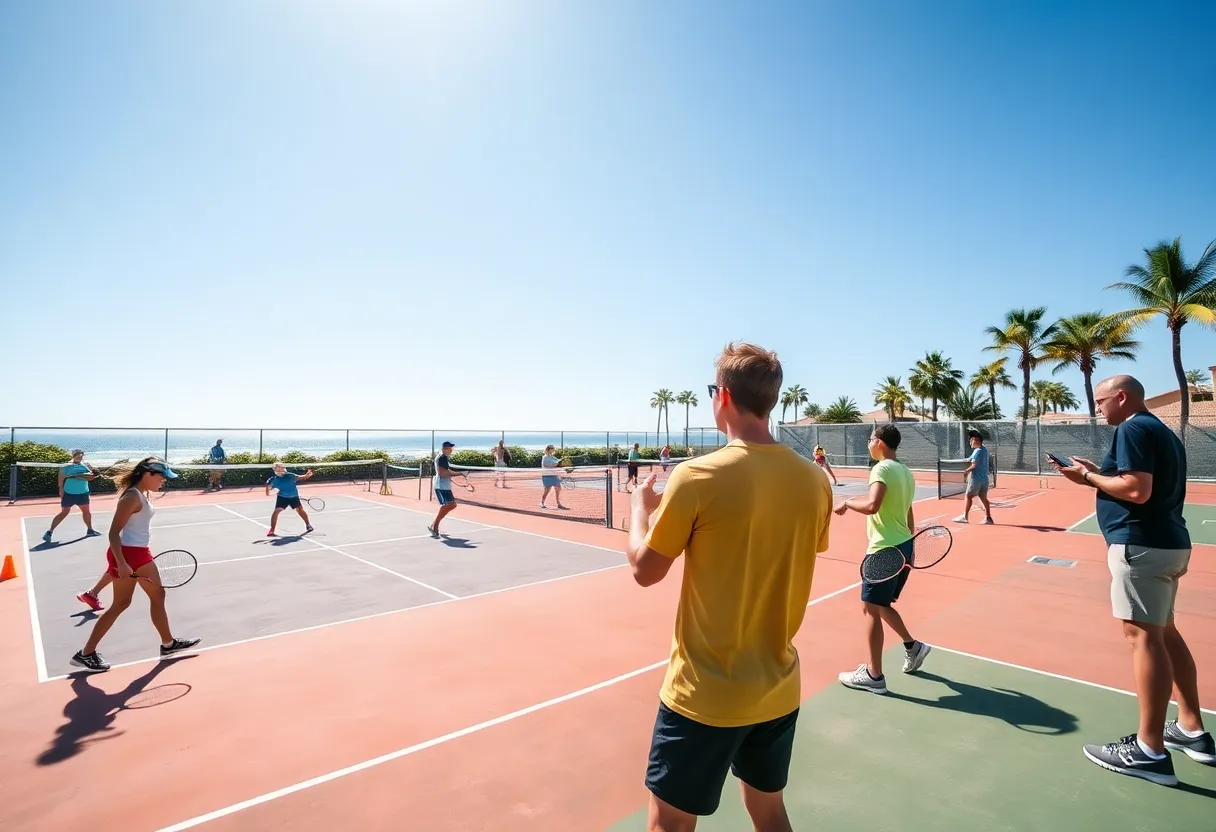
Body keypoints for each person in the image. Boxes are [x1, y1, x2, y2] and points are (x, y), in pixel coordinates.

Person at [624, 342, 832, 831]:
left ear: (721, 397)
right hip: (777, 690)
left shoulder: (696, 476)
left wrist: (639, 508)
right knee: (769, 810)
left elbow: (644, 570)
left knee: (669, 824)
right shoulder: (815, 481)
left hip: (704, 695)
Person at [1050, 375, 1212, 785]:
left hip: (1140, 546)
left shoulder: (1133, 426)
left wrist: (1086, 478)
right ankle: (1192, 729)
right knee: (1165, 633)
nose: (1098, 408)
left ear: (1122, 397)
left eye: (1101, 400)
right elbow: (1136, 482)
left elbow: (1137, 490)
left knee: (1144, 639)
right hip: (1168, 544)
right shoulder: (1161, 431)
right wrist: (1093, 472)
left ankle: (1149, 750)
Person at [70, 457, 200, 673]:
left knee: (139, 600)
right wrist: (121, 562)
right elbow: (113, 533)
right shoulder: (132, 497)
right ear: (147, 474)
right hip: (130, 554)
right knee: (132, 602)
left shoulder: (141, 494)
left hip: (137, 552)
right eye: (162, 476)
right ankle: (86, 653)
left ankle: (167, 644)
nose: (164, 481)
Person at [835, 424, 932, 694]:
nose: (868, 444)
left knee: (870, 608)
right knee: (880, 605)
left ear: (879, 442)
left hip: (884, 549)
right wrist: (909, 548)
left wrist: (847, 503)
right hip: (902, 546)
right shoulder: (906, 472)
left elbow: (872, 506)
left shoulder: (881, 469)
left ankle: (874, 675)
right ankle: (913, 646)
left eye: (869, 440)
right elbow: (909, 512)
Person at [43, 450, 102, 543]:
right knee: (64, 512)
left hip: (83, 493)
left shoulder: (86, 464)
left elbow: (93, 475)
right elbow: (61, 478)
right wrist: (61, 489)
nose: (80, 458)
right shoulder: (66, 465)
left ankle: (90, 530)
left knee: (86, 512)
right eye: (78, 456)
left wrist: (78, 476)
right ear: (73, 456)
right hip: (69, 493)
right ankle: (49, 532)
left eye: (81, 457)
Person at [953, 429, 994, 524]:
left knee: (968, 496)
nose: (970, 441)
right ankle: (988, 518)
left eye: (972, 439)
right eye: (971, 439)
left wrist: (966, 471)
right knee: (983, 497)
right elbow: (971, 459)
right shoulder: (984, 449)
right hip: (985, 479)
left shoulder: (977, 451)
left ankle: (965, 517)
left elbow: (974, 465)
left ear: (977, 440)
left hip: (976, 479)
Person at [428, 441, 467, 538]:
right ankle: (435, 526)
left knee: (450, 505)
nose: (451, 450)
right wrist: (459, 473)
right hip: (442, 486)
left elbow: (446, 471)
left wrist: (458, 474)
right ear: (445, 448)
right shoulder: (442, 457)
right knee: (451, 505)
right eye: (449, 448)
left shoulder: (442, 457)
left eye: (451, 448)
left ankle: (434, 525)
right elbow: (442, 473)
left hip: (443, 485)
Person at [265, 462, 315, 536]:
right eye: (277, 468)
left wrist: (307, 475)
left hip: (294, 497)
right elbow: (267, 491)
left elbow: (301, 477)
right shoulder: (273, 479)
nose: (279, 469)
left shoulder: (290, 475)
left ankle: (308, 525)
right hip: (282, 498)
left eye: (280, 467)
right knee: (276, 511)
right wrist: (272, 491)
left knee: (300, 510)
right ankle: (272, 530)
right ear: (275, 470)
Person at [539, 445, 567, 510]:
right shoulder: (545, 457)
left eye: (553, 449)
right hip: (547, 476)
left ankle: (559, 504)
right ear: (548, 449)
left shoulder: (553, 457)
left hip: (554, 475)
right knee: (547, 490)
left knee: (558, 488)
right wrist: (555, 464)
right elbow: (546, 466)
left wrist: (562, 460)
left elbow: (558, 462)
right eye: (552, 449)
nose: (553, 450)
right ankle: (542, 502)